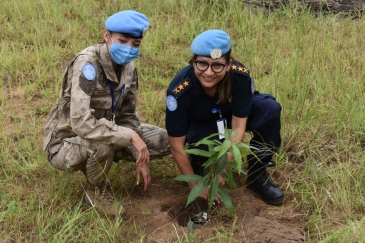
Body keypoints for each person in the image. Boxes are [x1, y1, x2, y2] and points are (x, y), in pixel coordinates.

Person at [43, 10, 170, 216]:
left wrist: (139, 151)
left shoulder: (129, 69)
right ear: (106, 36)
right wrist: (129, 137)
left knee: (166, 140)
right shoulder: (87, 65)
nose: (129, 48)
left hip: (102, 129)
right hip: (65, 142)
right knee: (103, 143)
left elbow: (127, 117)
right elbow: (81, 123)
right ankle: (95, 191)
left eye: (135, 44)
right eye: (123, 40)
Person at [165, 29, 284, 206]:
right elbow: (176, 146)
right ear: (193, 62)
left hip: (228, 114)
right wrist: (194, 185)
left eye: (217, 65)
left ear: (228, 64)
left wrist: (223, 168)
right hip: (201, 120)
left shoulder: (239, 76)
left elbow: (237, 128)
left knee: (269, 110)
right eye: (202, 64)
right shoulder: (180, 91)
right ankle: (198, 164)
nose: (209, 72)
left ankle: (257, 175)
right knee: (205, 147)